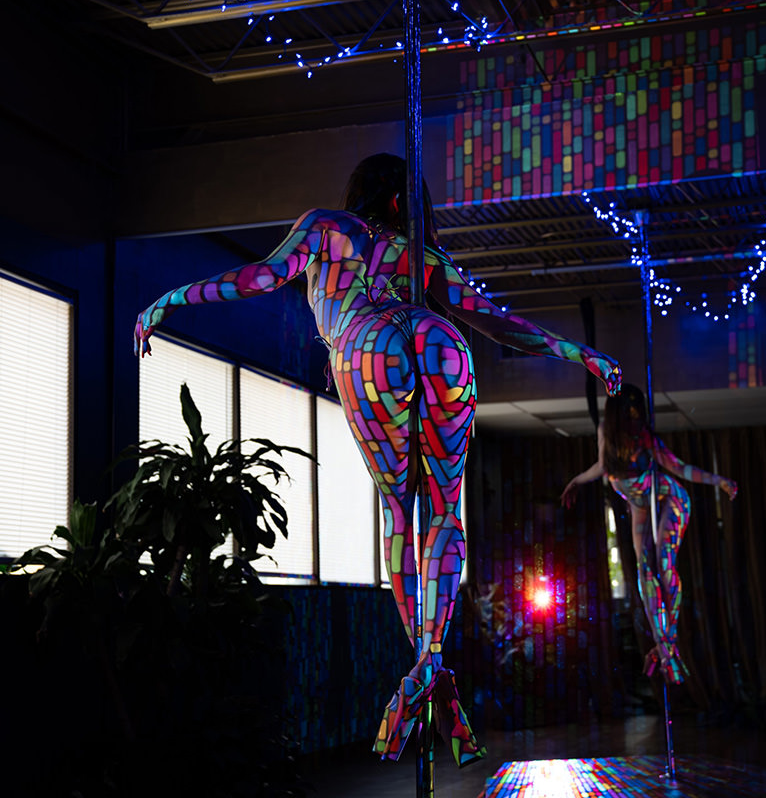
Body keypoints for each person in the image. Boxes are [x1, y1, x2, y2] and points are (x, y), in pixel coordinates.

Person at [134, 152, 622, 765]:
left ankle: (421, 666)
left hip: (365, 346)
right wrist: (584, 356)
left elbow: (258, 277)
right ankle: (432, 660)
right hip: (440, 342)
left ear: (363, 193)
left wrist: (169, 299)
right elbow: (501, 326)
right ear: (402, 204)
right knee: (446, 509)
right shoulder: (424, 258)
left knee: (399, 507)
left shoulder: (326, 228)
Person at [561, 383, 736, 684]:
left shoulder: (646, 438)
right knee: (645, 575)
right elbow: (602, 466)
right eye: (629, 416)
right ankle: (665, 648)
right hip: (640, 508)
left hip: (669, 498)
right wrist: (577, 481)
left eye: (638, 416)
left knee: (663, 563)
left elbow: (680, 468)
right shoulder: (607, 432)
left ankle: (667, 646)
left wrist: (718, 480)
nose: (634, 421)